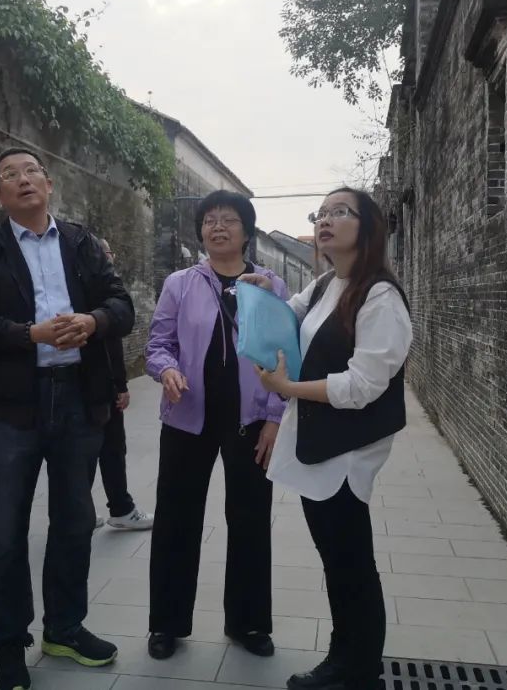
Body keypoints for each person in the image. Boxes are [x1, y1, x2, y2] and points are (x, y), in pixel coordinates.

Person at [0, 147, 134, 690]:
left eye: (32, 171)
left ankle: (65, 628)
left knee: (74, 521)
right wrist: (29, 334)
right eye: (10, 174)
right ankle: (9, 642)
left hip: (78, 399)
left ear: (49, 184)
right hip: (12, 408)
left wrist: (92, 321)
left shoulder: (81, 243)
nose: (23, 179)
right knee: (5, 530)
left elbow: (121, 304)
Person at [246, 187, 413, 690]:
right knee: (338, 559)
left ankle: (357, 669)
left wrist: (289, 388)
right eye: (321, 212)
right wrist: (263, 289)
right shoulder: (325, 284)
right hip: (320, 444)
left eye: (341, 212)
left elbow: (363, 386)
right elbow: (289, 314)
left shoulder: (379, 296)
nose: (326, 220)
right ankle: (347, 659)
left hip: (348, 450)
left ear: (368, 227)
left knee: (351, 561)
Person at [144, 190, 288, 661]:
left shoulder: (269, 285)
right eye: (209, 220)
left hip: (251, 421)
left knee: (250, 519)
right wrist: (166, 369)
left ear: (247, 232)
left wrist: (274, 418)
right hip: (187, 417)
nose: (218, 227)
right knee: (176, 519)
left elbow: (283, 356)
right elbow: (158, 343)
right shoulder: (180, 284)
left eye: (229, 220)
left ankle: (248, 623)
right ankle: (166, 624)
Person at [92, 237, 153, 531]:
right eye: (104, 253)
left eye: (109, 252)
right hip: (98, 385)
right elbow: (110, 348)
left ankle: (80, 511)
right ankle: (120, 508)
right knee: (110, 448)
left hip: (91, 384)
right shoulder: (98, 294)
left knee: (91, 451)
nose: (110, 257)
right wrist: (120, 385)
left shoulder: (96, 290)